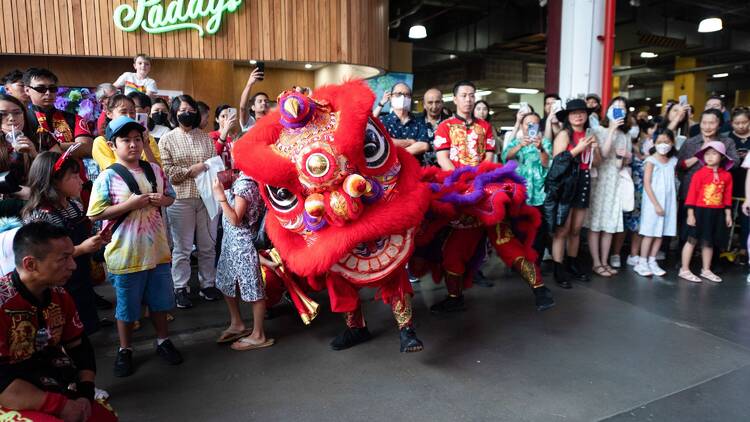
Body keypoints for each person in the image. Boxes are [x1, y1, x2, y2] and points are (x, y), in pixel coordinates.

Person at [87, 116, 182, 377]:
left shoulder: (156, 170)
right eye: (125, 140)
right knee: (127, 308)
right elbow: (94, 214)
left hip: (158, 252)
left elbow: (171, 198)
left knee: (160, 303)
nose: (132, 144)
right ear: (112, 145)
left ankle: (163, 341)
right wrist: (130, 205)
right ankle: (125, 349)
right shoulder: (107, 177)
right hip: (125, 254)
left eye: (137, 139)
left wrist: (162, 200)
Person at [0, 222, 117, 421]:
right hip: (10, 394)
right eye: (64, 258)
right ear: (30, 264)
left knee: (104, 417)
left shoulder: (59, 295)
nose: (73, 265)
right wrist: (60, 406)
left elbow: (79, 346)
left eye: (72, 255)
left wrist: (84, 395)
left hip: (48, 382)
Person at [22, 150, 107, 335]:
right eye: (74, 176)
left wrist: (98, 238)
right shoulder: (40, 215)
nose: (81, 181)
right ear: (54, 181)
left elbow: (86, 232)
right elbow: (46, 257)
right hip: (59, 286)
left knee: (85, 325)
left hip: (81, 278)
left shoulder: (75, 205)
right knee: (65, 332)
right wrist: (83, 248)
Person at [431, 80, 497, 312]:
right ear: (455, 99)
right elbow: (443, 159)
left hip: (481, 190)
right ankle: (454, 293)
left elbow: (489, 158)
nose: (469, 99)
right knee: (448, 243)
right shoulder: (445, 127)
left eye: (472, 95)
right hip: (455, 192)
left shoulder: (485, 127)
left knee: (491, 237)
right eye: (464, 95)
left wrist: (478, 182)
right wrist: (462, 183)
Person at [158, 95, 221, 309]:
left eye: (192, 110)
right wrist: (190, 171)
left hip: (206, 198)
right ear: (175, 113)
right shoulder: (167, 138)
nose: (188, 113)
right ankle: (180, 287)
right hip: (180, 198)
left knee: (207, 245)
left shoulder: (205, 137)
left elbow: (213, 164)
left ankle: (208, 284)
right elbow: (167, 170)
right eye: (183, 109)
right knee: (182, 248)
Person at [212, 173, 274, 350]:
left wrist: (221, 197)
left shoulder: (245, 185)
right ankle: (237, 324)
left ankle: (258, 334)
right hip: (231, 242)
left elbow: (235, 219)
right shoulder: (246, 179)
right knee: (226, 281)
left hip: (242, 244)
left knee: (253, 289)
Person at [545, 99, 600, 288]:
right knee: (562, 229)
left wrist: (595, 149)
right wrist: (579, 148)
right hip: (566, 184)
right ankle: (558, 268)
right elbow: (558, 161)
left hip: (583, 181)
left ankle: (572, 263)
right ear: (568, 116)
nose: (578, 115)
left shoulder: (590, 134)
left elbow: (598, 162)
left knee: (576, 229)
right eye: (574, 113)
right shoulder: (564, 134)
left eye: (582, 112)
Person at [586, 97, 632, 277]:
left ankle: (605, 261)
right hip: (599, 181)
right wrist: (612, 129)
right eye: (615, 107)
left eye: (622, 107)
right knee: (595, 223)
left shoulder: (625, 135)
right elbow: (603, 155)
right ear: (608, 110)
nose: (619, 110)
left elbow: (620, 164)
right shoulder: (598, 130)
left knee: (609, 224)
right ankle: (596, 263)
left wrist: (625, 157)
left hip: (615, 182)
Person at [677, 109, 738, 241]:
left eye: (711, 123)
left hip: (715, 196)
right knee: (688, 230)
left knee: (713, 234)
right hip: (690, 192)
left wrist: (719, 160)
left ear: (719, 124)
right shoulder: (690, 142)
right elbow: (679, 166)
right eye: (704, 123)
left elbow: (735, 163)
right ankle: (683, 261)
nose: (707, 126)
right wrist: (700, 153)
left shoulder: (727, 142)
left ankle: (709, 261)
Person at [678, 141, 734, 283]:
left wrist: (728, 214)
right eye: (707, 154)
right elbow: (692, 195)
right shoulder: (699, 174)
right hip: (699, 211)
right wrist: (691, 214)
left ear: (722, 157)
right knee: (692, 240)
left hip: (717, 213)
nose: (709, 157)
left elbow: (727, 196)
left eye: (714, 154)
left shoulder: (727, 176)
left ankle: (706, 269)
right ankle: (684, 269)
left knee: (709, 241)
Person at [502, 111, 551, 262]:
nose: (530, 126)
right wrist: (519, 146)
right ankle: (518, 261)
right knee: (517, 228)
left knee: (538, 230)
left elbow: (547, 163)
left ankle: (536, 260)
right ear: (522, 126)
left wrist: (540, 148)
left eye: (534, 124)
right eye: (527, 124)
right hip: (519, 194)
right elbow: (505, 158)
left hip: (539, 194)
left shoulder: (545, 143)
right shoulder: (515, 142)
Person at [635, 130, 678, 277]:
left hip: (669, 203)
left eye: (666, 142)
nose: (663, 145)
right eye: (659, 142)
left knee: (660, 234)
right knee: (649, 232)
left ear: (672, 143)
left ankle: (652, 261)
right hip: (653, 203)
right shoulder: (651, 161)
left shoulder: (673, 161)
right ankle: (642, 262)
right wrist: (656, 205)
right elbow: (647, 184)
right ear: (654, 143)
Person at [23, 68, 91, 157]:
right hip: (39, 170)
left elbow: (87, 148)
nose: (48, 93)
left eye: (52, 88)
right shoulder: (22, 119)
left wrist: (50, 145)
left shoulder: (74, 118)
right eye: (41, 88)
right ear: (27, 90)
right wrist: (67, 147)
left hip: (71, 170)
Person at [91, 94, 160, 171]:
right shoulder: (101, 142)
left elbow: (158, 172)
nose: (129, 116)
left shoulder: (147, 138)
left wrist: (146, 146)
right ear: (109, 114)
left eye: (132, 112)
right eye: (123, 112)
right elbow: (115, 172)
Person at [624, 119, 657, 267]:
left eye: (635, 126)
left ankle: (636, 254)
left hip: (647, 191)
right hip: (630, 189)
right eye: (631, 126)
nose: (634, 129)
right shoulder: (624, 144)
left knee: (641, 224)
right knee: (628, 224)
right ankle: (622, 253)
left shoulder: (647, 144)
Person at [377, 82, 429, 161]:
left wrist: (397, 154)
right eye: (398, 94)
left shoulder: (419, 122)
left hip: (414, 169)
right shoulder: (382, 121)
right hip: (389, 171)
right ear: (391, 97)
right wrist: (411, 142)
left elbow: (424, 145)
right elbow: (384, 142)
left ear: (410, 99)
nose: (402, 97)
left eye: (406, 94)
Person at [729, 107, 750, 262]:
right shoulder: (727, 138)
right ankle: (726, 247)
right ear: (732, 123)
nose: (741, 126)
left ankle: (744, 249)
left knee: (746, 219)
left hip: (748, 184)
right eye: (737, 123)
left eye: (744, 122)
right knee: (729, 217)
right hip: (731, 181)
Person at [417, 87, 451, 166]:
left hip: (445, 171)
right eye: (430, 102)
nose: (434, 106)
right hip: (420, 172)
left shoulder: (450, 123)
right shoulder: (415, 123)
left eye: (437, 102)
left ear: (442, 103)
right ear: (424, 105)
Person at [210, 104, 240, 170]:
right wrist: (226, 129)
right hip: (221, 176)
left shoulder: (237, 136)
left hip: (236, 175)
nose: (226, 119)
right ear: (217, 119)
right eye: (223, 116)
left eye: (229, 116)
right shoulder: (213, 135)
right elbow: (215, 154)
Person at [238, 67, 266, 131]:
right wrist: (249, 84)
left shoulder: (272, 122)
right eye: (260, 101)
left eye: (266, 101)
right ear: (253, 107)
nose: (264, 103)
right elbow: (243, 108)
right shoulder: (250, 121)